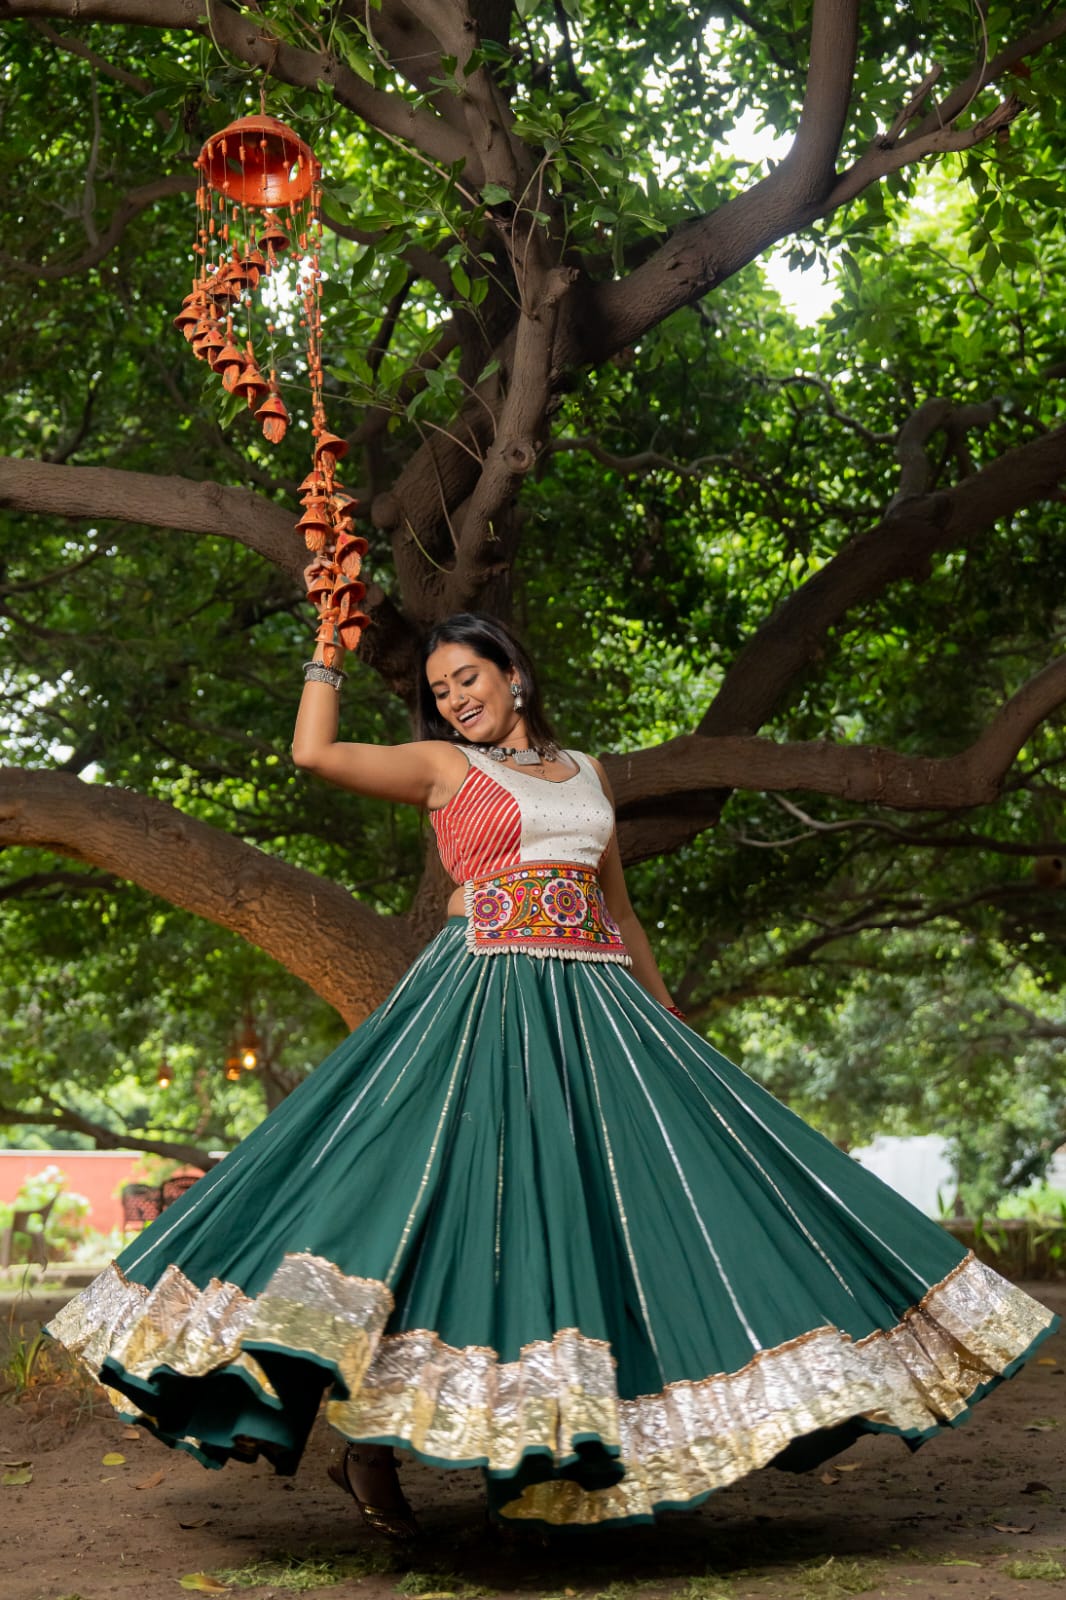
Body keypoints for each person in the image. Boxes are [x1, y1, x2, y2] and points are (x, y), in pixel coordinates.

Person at [49, 611, 1058, 1539]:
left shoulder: (587, 775)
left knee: (624, 1218)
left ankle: (602, 1454)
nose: (453, 697)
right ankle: (368, 1451)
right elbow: (314, 751)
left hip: (598, 1014)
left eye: (467, 677)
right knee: (443, 1213)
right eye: (440, 688)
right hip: (479, 1007)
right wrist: (326, 640)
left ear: (514, 674)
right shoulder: (444, 769)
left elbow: (616, 911)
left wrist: (663, 1014)